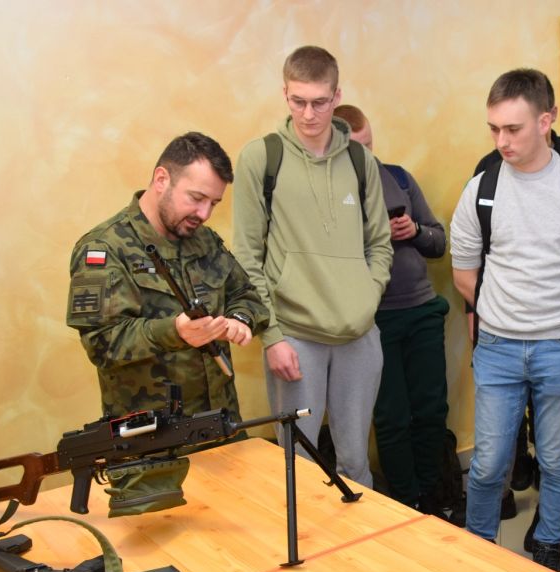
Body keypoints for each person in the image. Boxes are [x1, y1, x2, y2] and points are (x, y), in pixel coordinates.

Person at [450, 68, 560, 572]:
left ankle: (548, 544)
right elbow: (464, 273)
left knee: (557, 459)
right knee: (488, 464)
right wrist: (503, 313)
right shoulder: (482, 187)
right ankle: (479, 543)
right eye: (493, 128)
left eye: (513, 128)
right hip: (497, 347)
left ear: (547, 120)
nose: (501, 141)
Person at [232, 46, 392, 487]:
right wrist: (272, 336)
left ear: (337, 96)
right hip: (295, 337)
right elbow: (246, 256)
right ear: (285, 93)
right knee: (298, 466)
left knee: (355, 462)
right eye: (298, 101)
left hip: (358, 336)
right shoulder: (261, 157)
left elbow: (380, 244)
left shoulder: (360, 161)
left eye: (319, 102)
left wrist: (367, 296)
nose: (308, 114)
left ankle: (358, 533)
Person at [67, 131, 267, 419]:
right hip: (153, 434)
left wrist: (240, 319)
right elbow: (102, 343)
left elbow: (247, 295)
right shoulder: (104, 248)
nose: (204, 213)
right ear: (161, 179)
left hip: (220, 421)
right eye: (197, 198)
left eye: (213, 203)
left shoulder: (205, 240)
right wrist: (174, 331)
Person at [332, 103, 451, 515]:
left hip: (422, 311)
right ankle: (406, 502)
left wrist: (414, 230)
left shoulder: (398, 177)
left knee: (431, 410)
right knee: (391, 417)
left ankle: (434, 494)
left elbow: (438, 243)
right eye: (356, 149)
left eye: (369, 146)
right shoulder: (329, 192)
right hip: (373, 320)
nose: (366, 156)